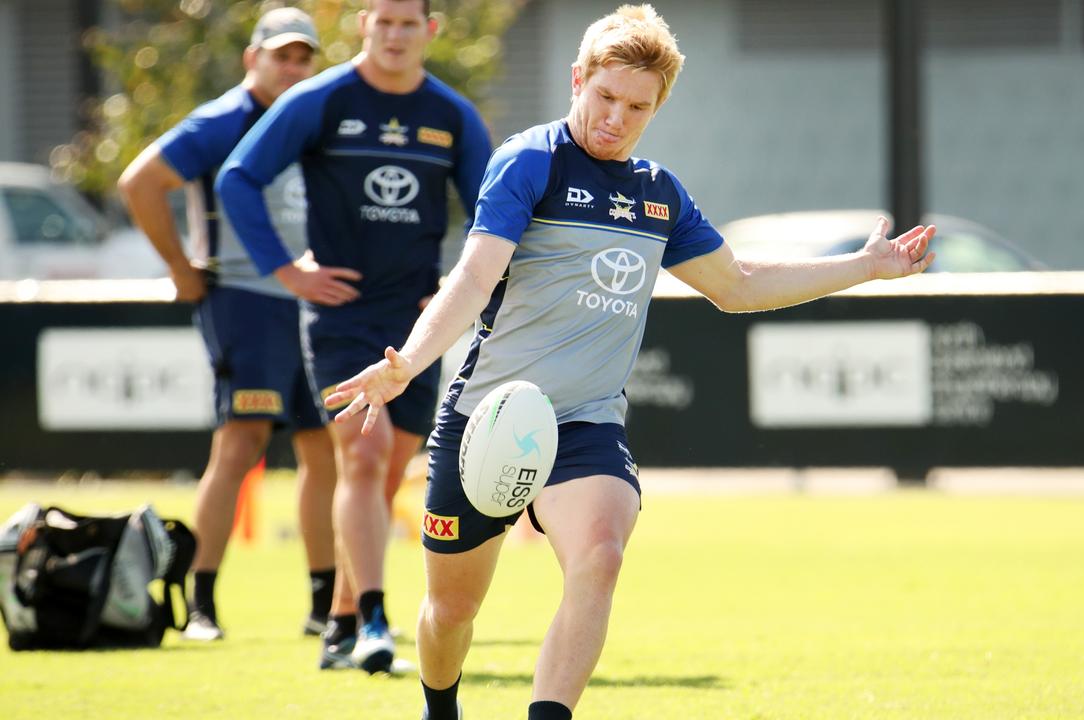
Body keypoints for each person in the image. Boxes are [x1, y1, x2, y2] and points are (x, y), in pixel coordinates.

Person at [325, 5, 935, 718]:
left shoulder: (658, 194)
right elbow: (474, 276)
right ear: (577, 79)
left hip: (584, 425)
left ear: (658, 106)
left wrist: (861, 267)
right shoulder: (532, 161)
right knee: (451, 612)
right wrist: (411, 362)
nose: (616, 117)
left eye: (637, 106)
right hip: (484, 420)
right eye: (605, 97)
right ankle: (440, 707)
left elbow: (735, 286)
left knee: (601, 556)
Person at [216, 0, 492, 674]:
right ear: (364, 25)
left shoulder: (452, 115)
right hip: (340, 317)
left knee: (390, 473)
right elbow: (237, 178)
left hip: (418, 325)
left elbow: (497, 209)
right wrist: (287, 271)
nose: (395, 36)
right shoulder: (321, 100)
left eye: (409, 23)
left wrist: (460, 285)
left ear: (430, 31)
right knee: (362, 463)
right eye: (384, 21)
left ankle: (339, 621)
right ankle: (372, 621)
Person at [116, 7, 341, 643]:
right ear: (253, 58)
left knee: (321, 449)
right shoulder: (223, 120)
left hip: (311, 299)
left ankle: (324, 605)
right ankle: (201, 603)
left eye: (304, 58)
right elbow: (140, 183)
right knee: (241, 444)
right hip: (245, 299)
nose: (293, 68)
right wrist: (180, 268)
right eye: (282, 56)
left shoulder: (312, 119)